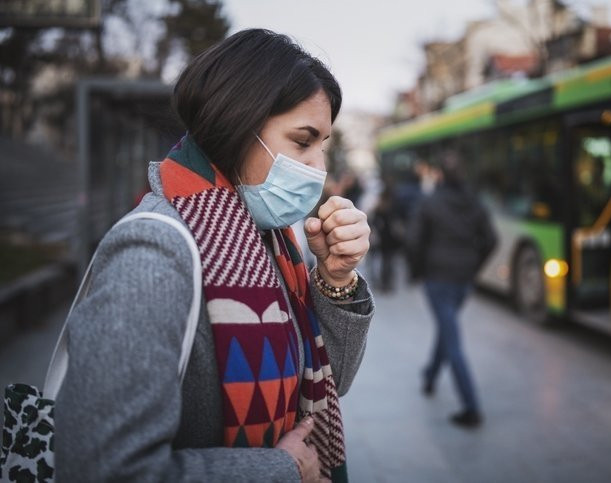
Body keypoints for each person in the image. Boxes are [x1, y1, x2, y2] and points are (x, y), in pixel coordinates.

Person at [55, 29, 374, 482]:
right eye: (302, 141)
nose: (318, 168)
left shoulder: (272, 238)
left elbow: (325, 381)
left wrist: (336, 277)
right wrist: (279, 469)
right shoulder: (154, 255)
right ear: (237, 127)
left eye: (322, 145)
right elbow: (104, 469)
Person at [406, 152, 496, 429]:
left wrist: (417, 271)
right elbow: (491, 240)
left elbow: (413, 241)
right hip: (462, 281)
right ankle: (430, 376)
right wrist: (473, 267)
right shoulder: (476, 203)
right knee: (448, 328)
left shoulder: (430, 203)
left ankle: (471, 408)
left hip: (438, 278)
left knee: (452, 338)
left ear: (441, 175)